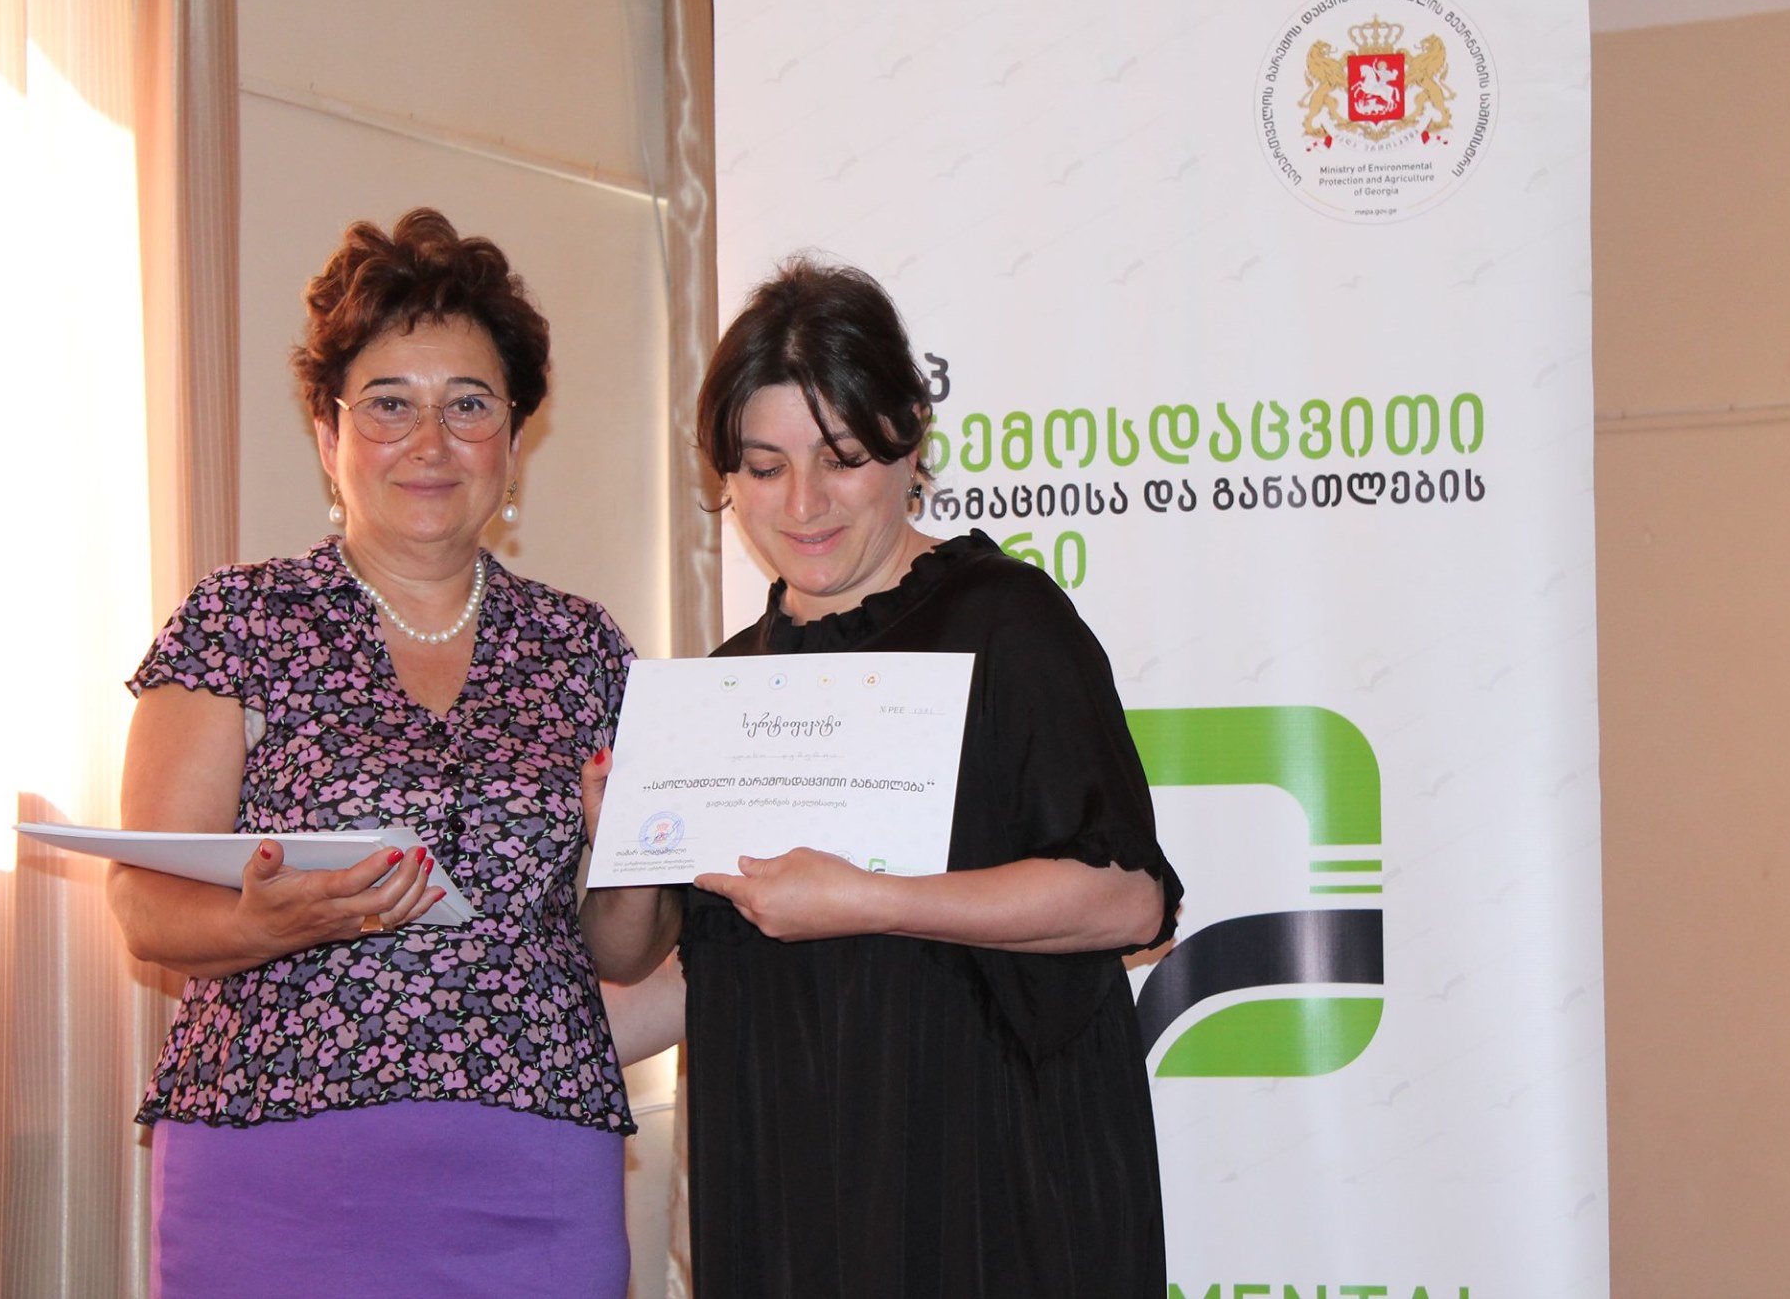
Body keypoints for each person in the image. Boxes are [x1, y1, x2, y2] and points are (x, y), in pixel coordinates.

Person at [106, 208, 677, 1299]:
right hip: (273, 1164)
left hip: (536, 1168)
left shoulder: (585, 646)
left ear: (513, 443)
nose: (431, 441)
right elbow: (143, 903)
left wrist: (630, 856)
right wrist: (261, 923)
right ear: (330, 438)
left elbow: (620, 951)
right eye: (388, 404)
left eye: (468, 405)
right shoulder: (239, 620)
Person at [680, 257, 1183, 1297]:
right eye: (763, 468)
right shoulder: (728, 684)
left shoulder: (1007, 621)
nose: (803, 503)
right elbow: (708, 972)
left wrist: (869, 898)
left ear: (911, 437)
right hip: (795, 1190)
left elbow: (1127, 899)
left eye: (842, 458)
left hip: (996, 1177)